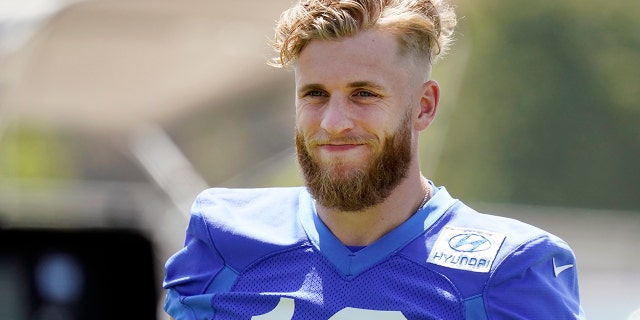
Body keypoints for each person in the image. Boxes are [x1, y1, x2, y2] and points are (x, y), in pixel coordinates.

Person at [163, 0, 586, 318]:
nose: (333, 122)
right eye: (315, 94)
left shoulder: (510, 270)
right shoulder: (222, 237)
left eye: (364, 94)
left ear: (424, 106)